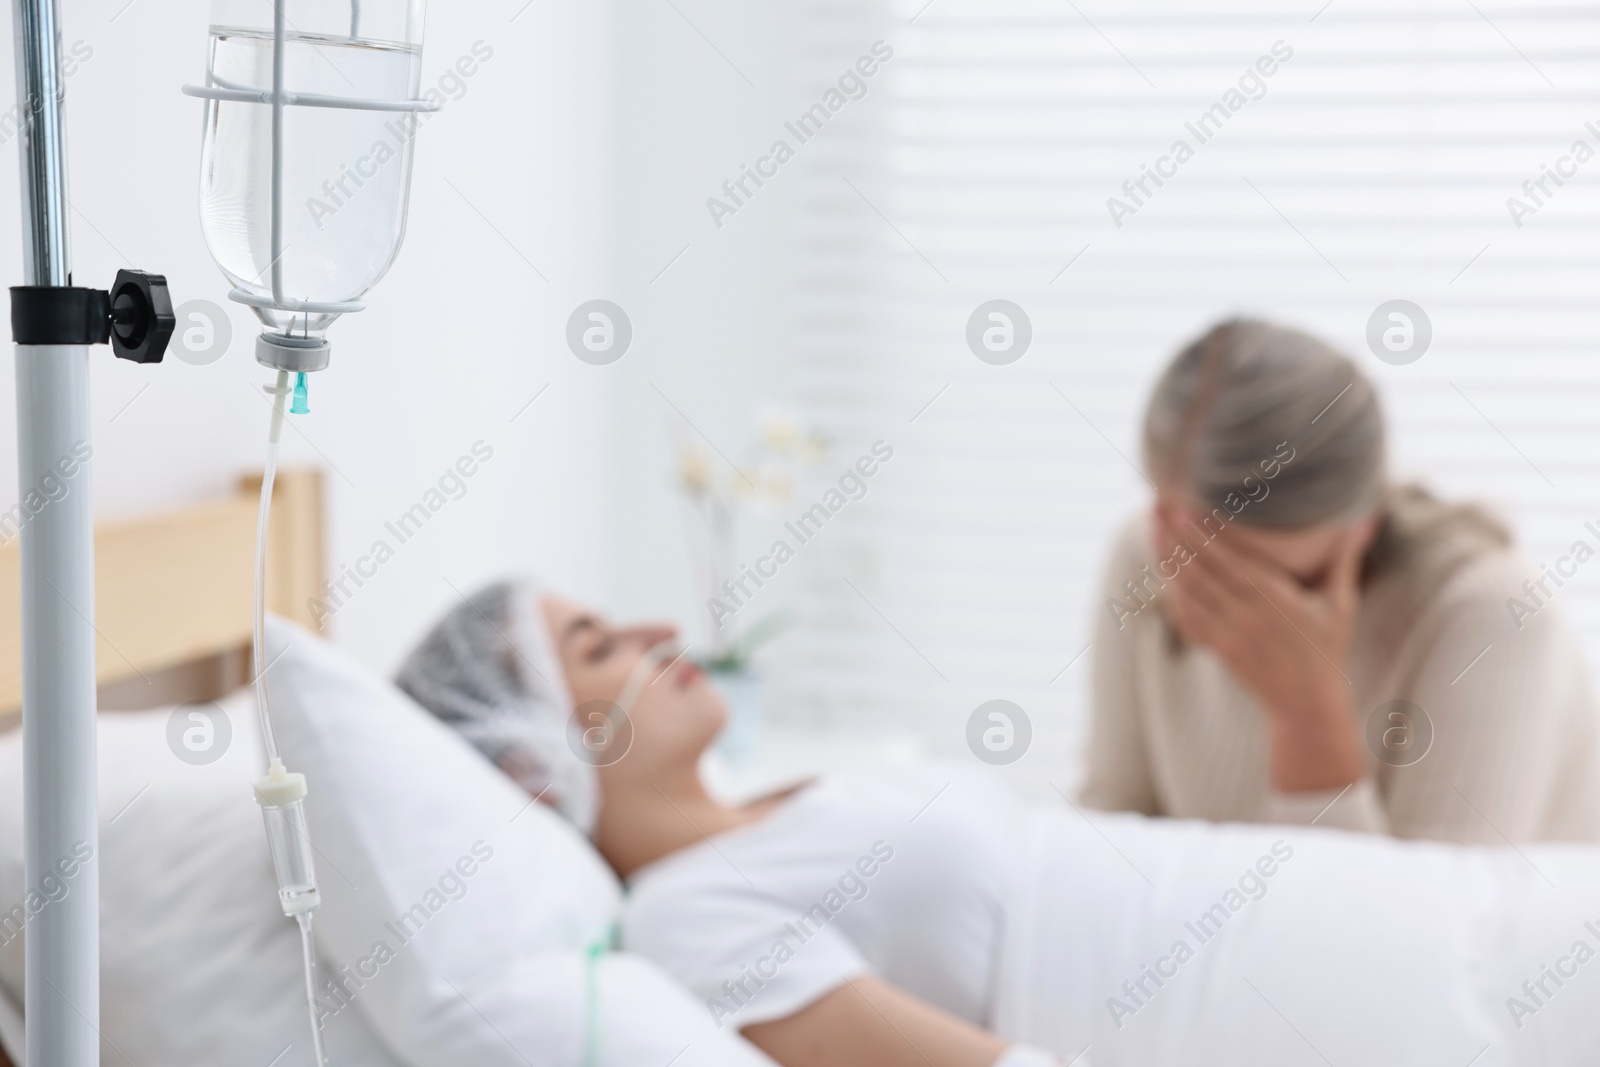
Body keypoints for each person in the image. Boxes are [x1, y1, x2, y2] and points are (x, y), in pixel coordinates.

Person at [395, 579, 1600, 1066]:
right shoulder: (686, 918)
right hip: (1304, 1002)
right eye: (595, 648)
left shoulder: (790, 791)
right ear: (526, 758)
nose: (658, 630)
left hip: (1353, 902)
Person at [1081, 318, 1600, 841]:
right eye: (1178, 538)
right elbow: (1113, 845)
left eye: (1264, 580)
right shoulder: (1150, 556)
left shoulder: (1492, 616)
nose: (1198, 580)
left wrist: (1307, 715)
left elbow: (1427, 921)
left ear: (1362, 522)